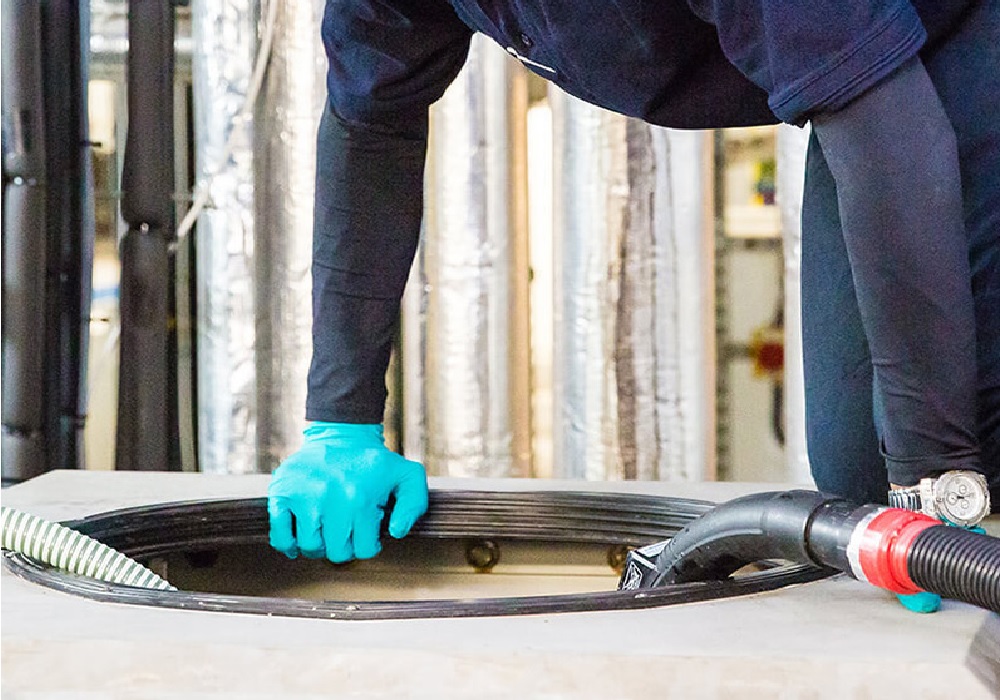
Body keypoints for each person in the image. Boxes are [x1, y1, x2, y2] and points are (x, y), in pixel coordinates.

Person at [267, 0, 999, 610]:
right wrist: (342, 419)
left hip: (955, 34)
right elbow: (373, 123)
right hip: (886, 73)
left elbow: (879, 121)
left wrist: (936, 483)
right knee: (864, 478)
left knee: (946, 464)